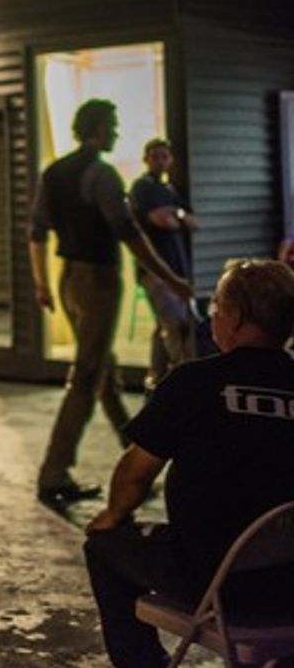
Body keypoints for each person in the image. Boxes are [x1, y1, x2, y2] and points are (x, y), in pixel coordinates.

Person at [82, 258, 294, 668]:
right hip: (291, 583)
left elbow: (135, 474)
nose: (213, 315)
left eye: (216, 306)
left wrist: (112, 514)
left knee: (103, 547)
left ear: (233, 318)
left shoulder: (192, 383)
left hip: (214, 580)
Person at [29, 100, 195, 512]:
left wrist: (42, 283)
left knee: (103, 368)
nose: (118, 131)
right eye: (114, 124)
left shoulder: (53, 172)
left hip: (68, 278)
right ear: (98, 128)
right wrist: (171, 278)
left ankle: (134, 449)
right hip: (97, 280)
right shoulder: (100, 174)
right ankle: (54, 472)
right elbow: (129, 233)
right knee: (87, 375)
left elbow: (36, 231)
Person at [129, 138, 198, 390]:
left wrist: (176, 214)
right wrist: (176, 216)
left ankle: (157, 381)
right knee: (176, 326)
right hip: (156, 271)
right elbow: (161, 220)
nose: (160, 160)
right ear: (146, 159)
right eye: (155, 156)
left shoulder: (170, 190)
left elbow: (192, 222)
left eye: (164, 156)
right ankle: (184, 384)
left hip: (178, 270)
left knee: (167, 326)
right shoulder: (142, 187)